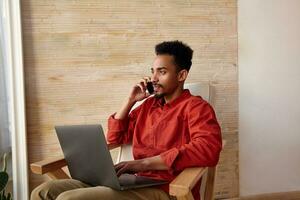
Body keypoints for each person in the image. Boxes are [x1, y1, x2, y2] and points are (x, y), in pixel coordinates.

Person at [31, 40, 222, 200]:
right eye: (152, 71)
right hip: (135, 182)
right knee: (42, 192)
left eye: (161, 72)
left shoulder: (196, 107)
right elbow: (115, 138)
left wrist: (142, 164)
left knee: (68, 199)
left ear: (181, 75)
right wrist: (130, 101)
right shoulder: (148, 107)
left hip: (165, 189)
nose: (153, 78)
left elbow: (208, 148)